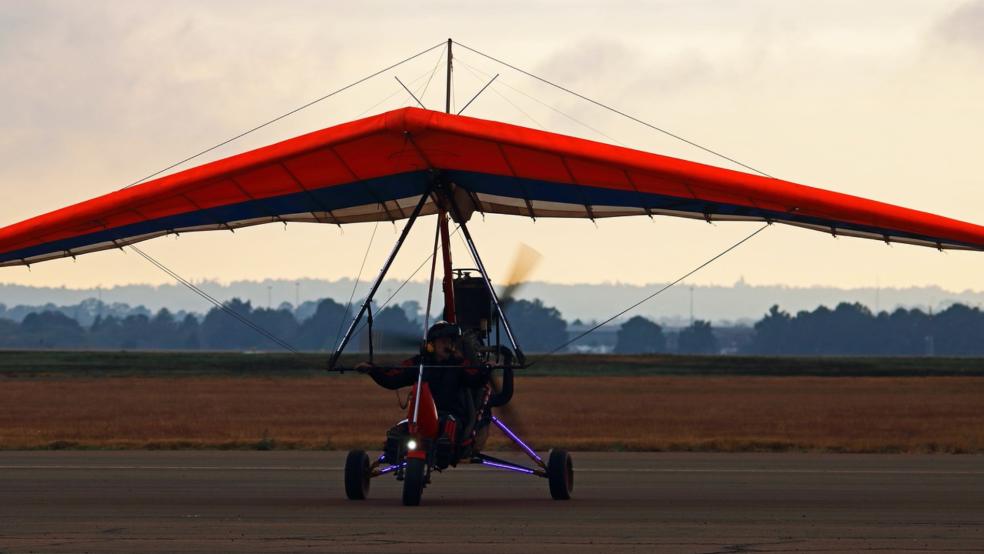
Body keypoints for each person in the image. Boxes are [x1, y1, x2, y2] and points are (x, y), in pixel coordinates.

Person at [359, 321, 490, 456]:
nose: (448, 345)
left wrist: (484, 370)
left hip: (450, 415)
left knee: (447, 429)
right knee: (396, 433)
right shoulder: (419, 363)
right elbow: (394, 376)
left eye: (451, 342)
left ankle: (443, 451)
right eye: (443, 342)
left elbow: (476, 380)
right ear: (431, 345)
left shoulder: (460, 365)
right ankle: (393, 454)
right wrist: (373, 370)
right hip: (421, 417)